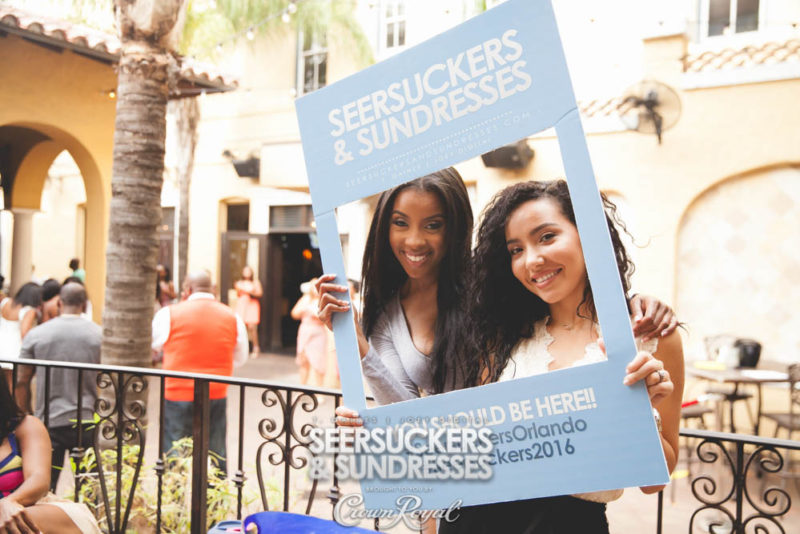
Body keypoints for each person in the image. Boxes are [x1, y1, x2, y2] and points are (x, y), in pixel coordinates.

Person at [437, 179, 684, 534]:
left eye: (547, 237)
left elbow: (654, 482)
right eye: (515, 250)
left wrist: (636, 412)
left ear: (587, 233)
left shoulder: (647, 337)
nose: (531, 260)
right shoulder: (504, 336)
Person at [317, 170, 677, 406]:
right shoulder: (386, 314)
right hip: (440, 492)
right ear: (384, 228)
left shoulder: (487, 299)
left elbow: (563, 302)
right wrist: (357, 348)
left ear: (454, 228)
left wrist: (632, 302)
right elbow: (404, 416)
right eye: (400, 223)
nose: (414, 240)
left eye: (433, 225)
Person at [151, 270, 249, 474]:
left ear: (187, 290)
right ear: (213, 290)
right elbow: (240, 358)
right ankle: (215, 503)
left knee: (174, 452)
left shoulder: (169, 313)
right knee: (215, 452)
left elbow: (154, 345)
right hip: (215, 394)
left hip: (177, 394)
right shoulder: (232, 316)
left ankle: (174, 502)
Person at [15, 282, 101, 492]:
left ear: (60, 303)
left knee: (44, 488)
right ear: (84, 305)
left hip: (48, 422)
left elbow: (21, 380)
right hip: (86, 419)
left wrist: (26, 414)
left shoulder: (38, 335)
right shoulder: (98, 335)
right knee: (88, 486)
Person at [0, 375, 101, 533]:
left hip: (37, 512)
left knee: (11, 519)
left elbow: (38, 478)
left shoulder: (24, 426)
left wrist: (9, 502)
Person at [0, 283, 41, 390]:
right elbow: (25, 333)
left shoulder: (5, 302)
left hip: (2, 345)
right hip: (14, 350)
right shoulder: (28, 311)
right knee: (12, 384)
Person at [291, 280, 328, 386]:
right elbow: (294, 313)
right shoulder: (305, 299)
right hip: (305, 331)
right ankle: (302, 388)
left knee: (318, 362)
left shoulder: (324, 300)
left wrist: (316, 315)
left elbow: (327, 319)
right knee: (304, 361)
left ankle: (319, 392)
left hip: (318, 332)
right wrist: (304, 309)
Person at [234, 266, 263, 358]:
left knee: (252, 327)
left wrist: (248, 291)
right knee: (241, 327)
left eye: (248, 271)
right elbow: (238, 294)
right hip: (242, 304)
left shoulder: (255, 282)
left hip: (252, 304)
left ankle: (255, 348)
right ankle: (241, 349)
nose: (247, 273)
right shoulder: (240, 282)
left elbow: (259, 293)